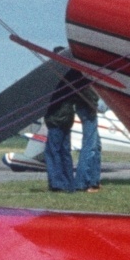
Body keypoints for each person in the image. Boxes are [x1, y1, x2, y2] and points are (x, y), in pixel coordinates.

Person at [43, 58, 86, 192]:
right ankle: (69, 183)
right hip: (68, 118)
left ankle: (57, 183)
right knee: (65, 151)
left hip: (56, 118)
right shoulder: (74, 76)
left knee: (52, 151)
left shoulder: (55, 77)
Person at [74, 84, 103, 193]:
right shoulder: (83, 79)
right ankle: (82, 183)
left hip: (86, 107)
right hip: (87, 108)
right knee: (89, 146)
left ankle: (94, 181)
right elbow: (87, 91)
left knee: (96, 146)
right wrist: (94, 104)